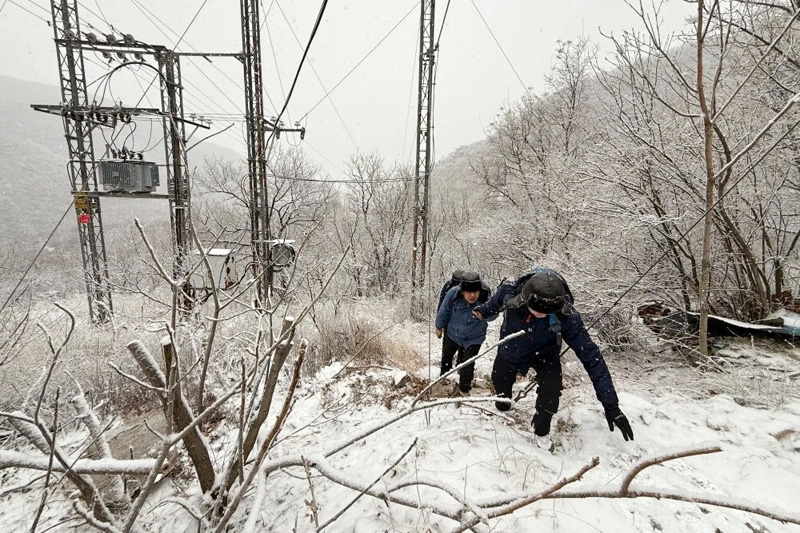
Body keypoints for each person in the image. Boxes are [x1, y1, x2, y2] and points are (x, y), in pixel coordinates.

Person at [474, 268, 633, 450]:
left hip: (545, 353)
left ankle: (541, 431)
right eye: (537, 311)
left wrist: (610, 404)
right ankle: (503, 402)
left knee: (551, 390)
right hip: (511, 350)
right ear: (526, 299)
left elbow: (591, 356)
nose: (541, 315)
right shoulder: (509, 292)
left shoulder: (566, 315)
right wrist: (480, 312)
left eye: (546, 313)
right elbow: (492, 305)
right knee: (501, 395)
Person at [435, 271, 494, 393]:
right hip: (453, 334)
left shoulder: (484, 296)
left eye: (475, 292)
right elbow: (444, 310)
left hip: (474, 337)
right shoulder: (453, 293)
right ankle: (443, 379)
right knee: (446, 356)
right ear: (462, 291)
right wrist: (439, 327)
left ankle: (464, 389)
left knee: (467, 364)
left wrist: (484, 313)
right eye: (468, 293)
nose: (472, 296)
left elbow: (494, 314)